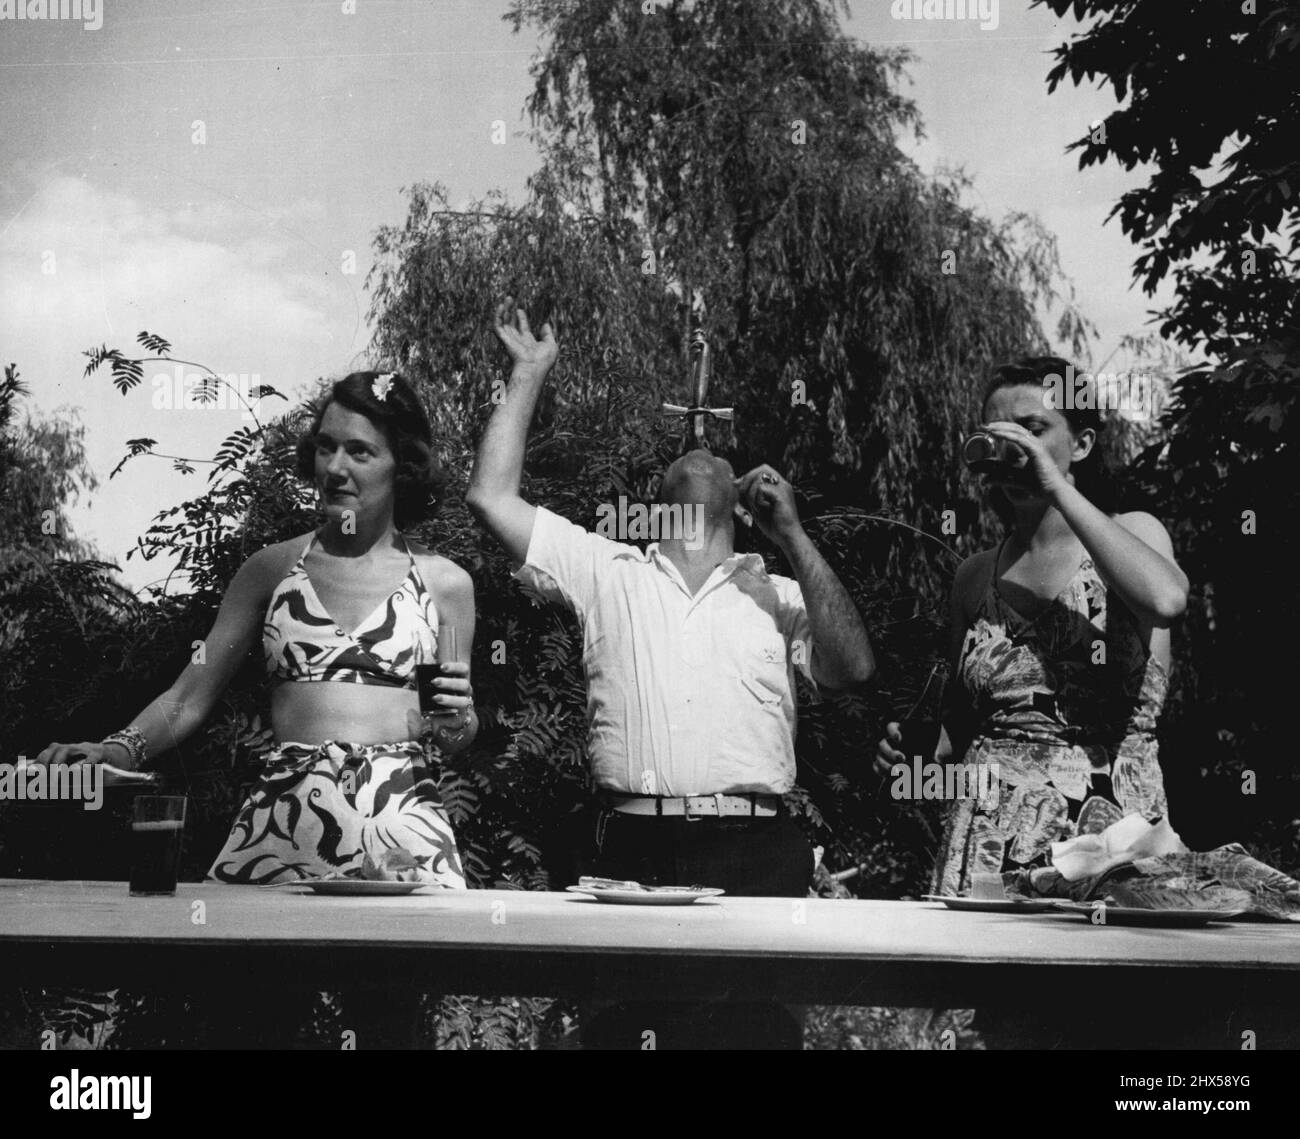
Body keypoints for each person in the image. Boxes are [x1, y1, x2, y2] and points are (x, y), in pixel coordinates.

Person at [468, 300, 875, 1048]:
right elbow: (491, 497)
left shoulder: (777, 593)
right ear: (658, 496)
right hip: (627, 851)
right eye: (687, 454)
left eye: (718, 453)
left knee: (755, 1043)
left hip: (757, 856)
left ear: (739, 500)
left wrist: (792, 532)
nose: (702, 448)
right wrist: (528, 376)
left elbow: (852, 666)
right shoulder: (606, 567)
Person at [33, 370, 476, 1045]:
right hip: (284, 821)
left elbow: (454, 728)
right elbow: (188, 696)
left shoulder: (446, 584)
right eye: (326, 447)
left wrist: (458, 723)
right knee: (255, 1029)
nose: (335, 466)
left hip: (401, 830)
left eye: (360, 450)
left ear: (403, 465)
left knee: (394, 1035)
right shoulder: (270, 570)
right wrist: (114, 749)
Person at [875, 357, 1189, 1047]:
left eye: (1035, 426)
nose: (1016, 442)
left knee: (1128, 1047)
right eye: (1002, 429)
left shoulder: (1135, 531)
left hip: (1114, 842)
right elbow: (959, 733)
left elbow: (1166, 599)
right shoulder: (973, 576)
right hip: (993, 849)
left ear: (1080, 444)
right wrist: (916, 754)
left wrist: (1054, 488)